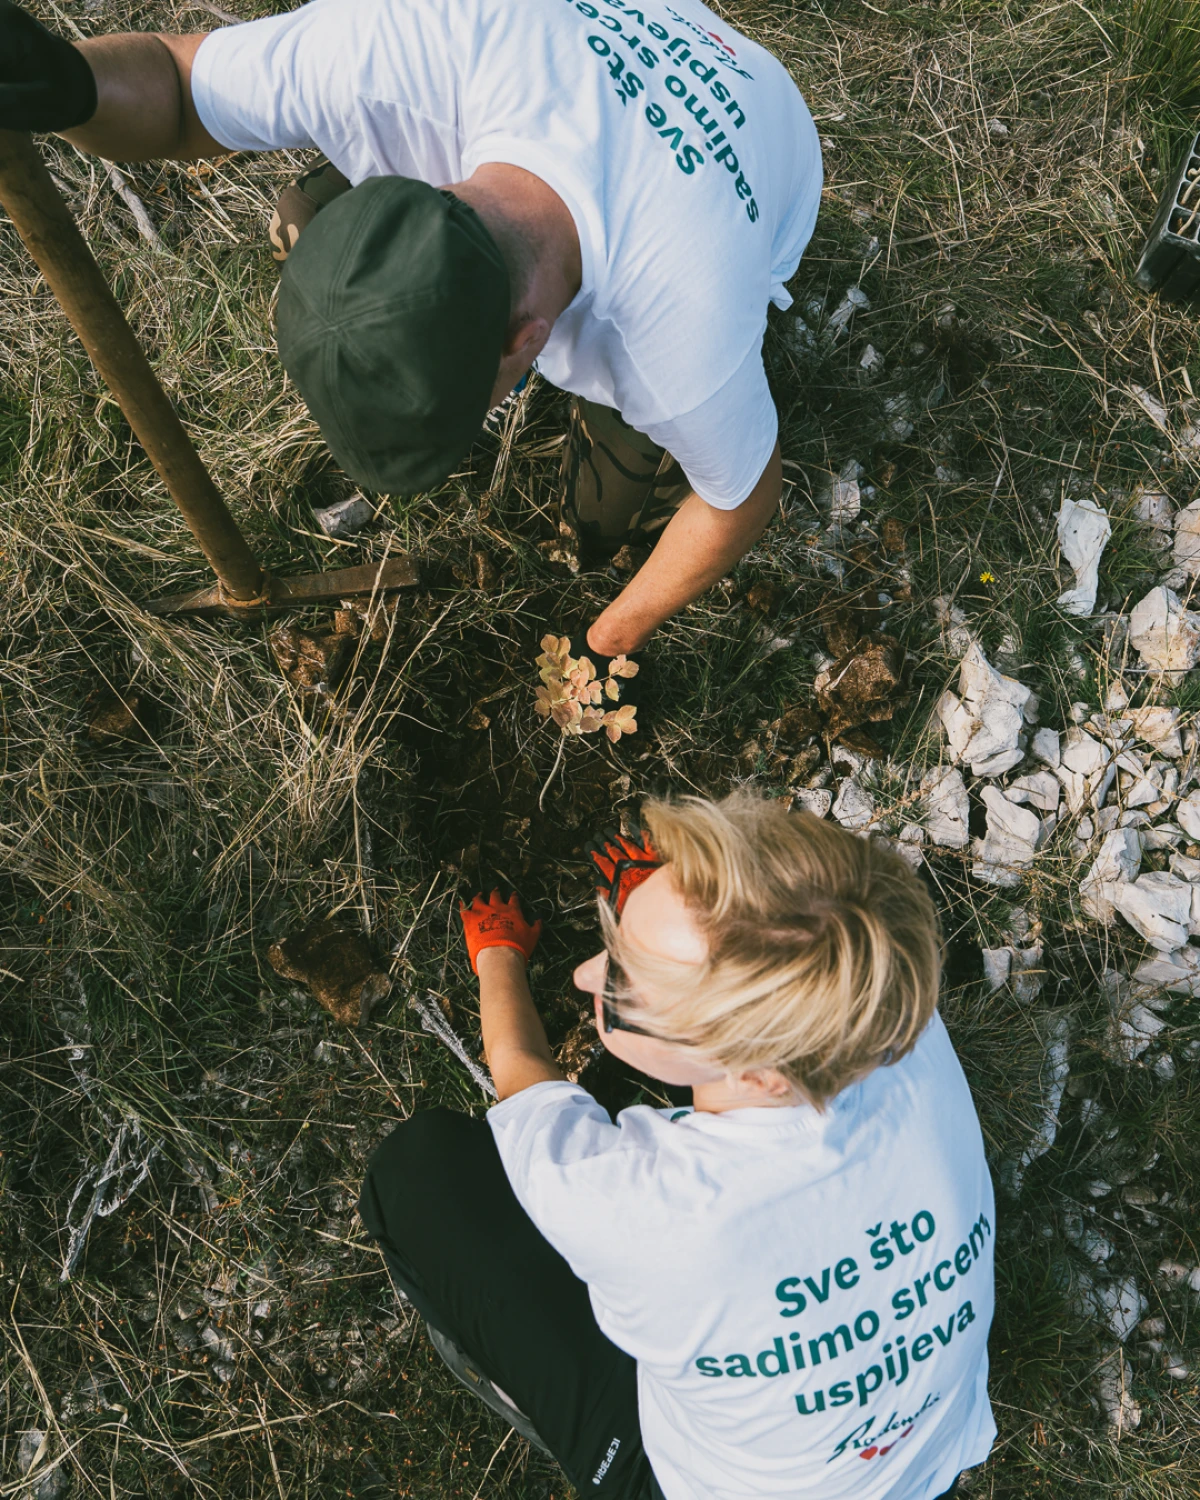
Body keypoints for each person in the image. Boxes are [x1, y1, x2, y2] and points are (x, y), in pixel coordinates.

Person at [0, 0, 821, 668]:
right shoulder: (397, 42)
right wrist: (67, 88)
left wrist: (610, 638)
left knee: (601, 527)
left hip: (757, 116)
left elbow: (739, 497)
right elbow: (180, 84)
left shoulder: (680, 343)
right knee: (302, 221)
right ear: (414, 185)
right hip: (598, 49)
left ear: (526, 344)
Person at [358, 793, 997, 1498]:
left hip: (685, 1483)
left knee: (418, 1173)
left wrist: (498, 953)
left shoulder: (641, 1205)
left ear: (754, 1071)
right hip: (922, 1460)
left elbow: (519, 1071)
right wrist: (675, 915)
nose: (585, 975)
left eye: (624, 981)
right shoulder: (888, 1001)